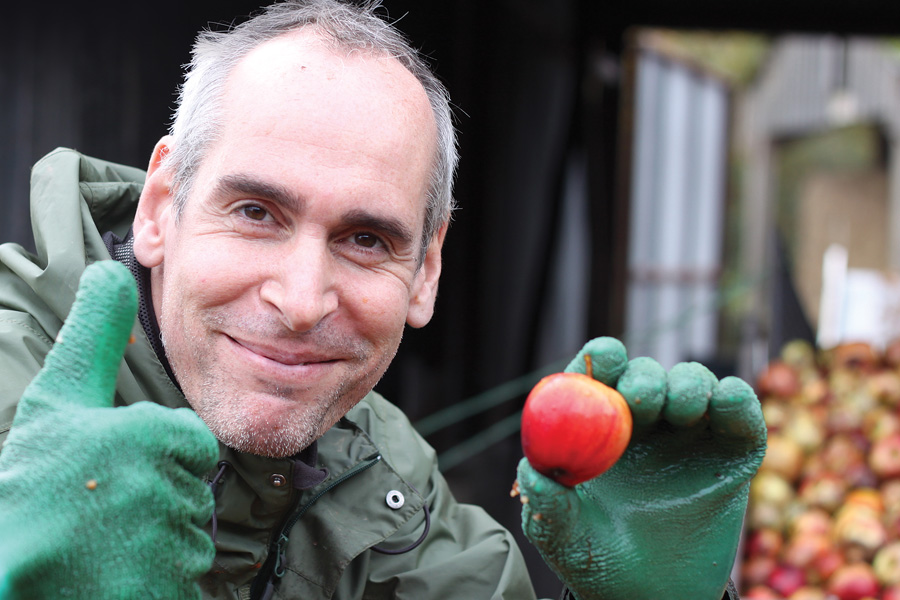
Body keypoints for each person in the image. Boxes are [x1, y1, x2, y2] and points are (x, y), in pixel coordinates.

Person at [0, 1, 766, 599]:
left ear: (426, 270)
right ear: (160, 207)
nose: (301, 301)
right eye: (256, 213)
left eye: (366, 239)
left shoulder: (386, 481)